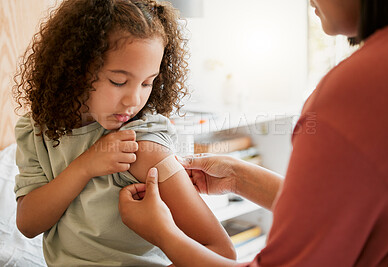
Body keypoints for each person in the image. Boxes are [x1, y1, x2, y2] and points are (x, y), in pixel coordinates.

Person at [118, 0, 388, 266]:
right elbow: (342, 211)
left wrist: (165, 234)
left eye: (147, 82)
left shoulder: (356, 92)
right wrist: (237, 177)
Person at [13, 0, 236, 266]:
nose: (134, 100)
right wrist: (84, 167)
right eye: (119, 81)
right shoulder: (38, 130)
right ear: (77, 69)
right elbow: (28, 224)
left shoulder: (141, 145)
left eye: (147, 83)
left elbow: (221, 252)